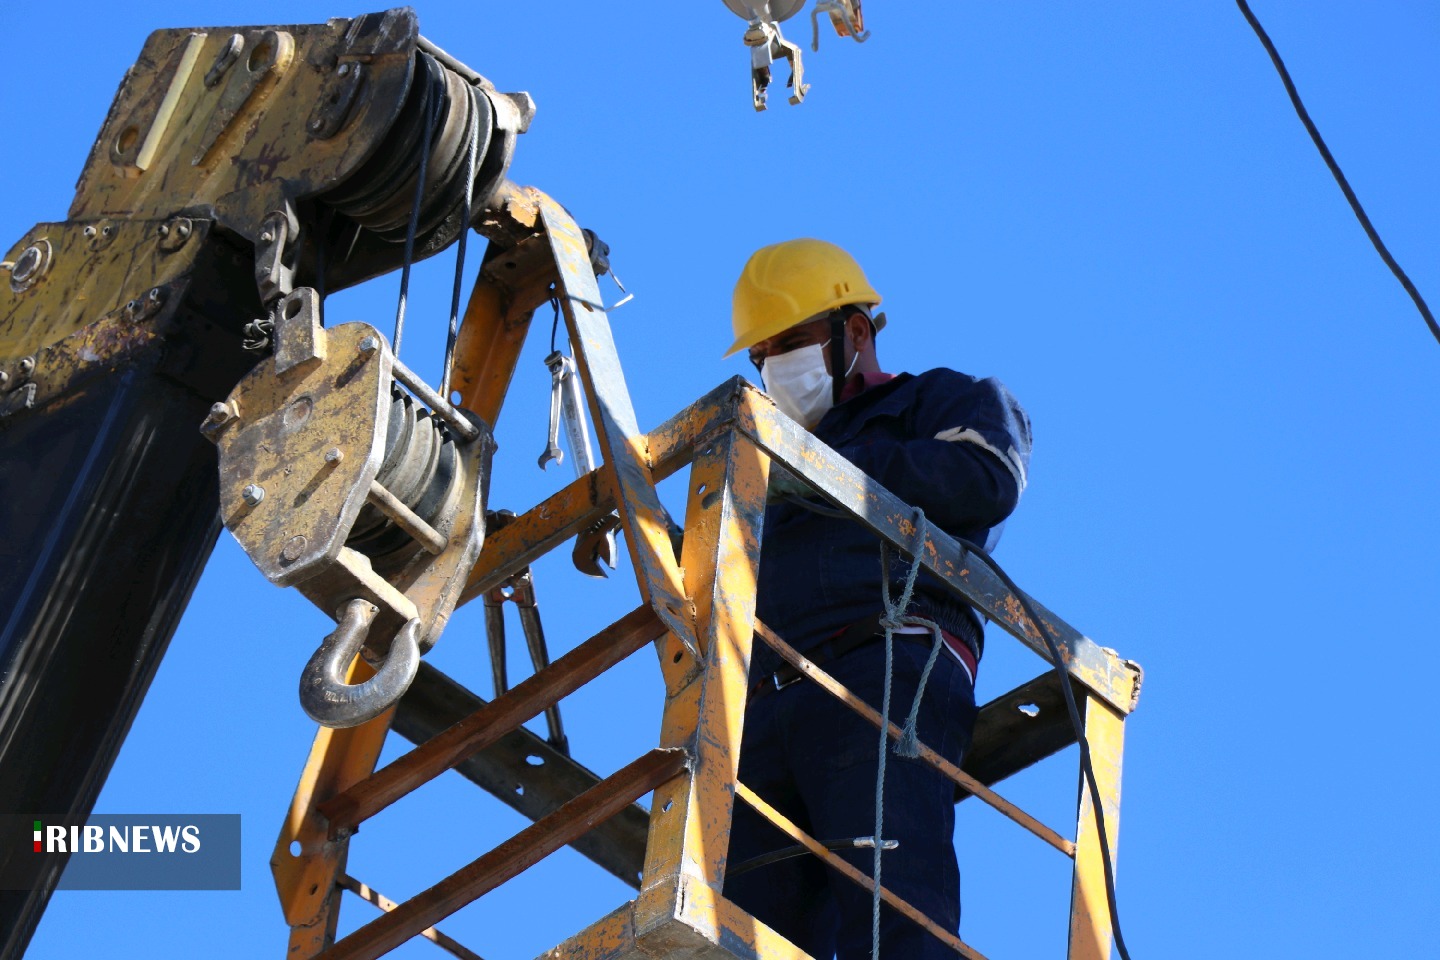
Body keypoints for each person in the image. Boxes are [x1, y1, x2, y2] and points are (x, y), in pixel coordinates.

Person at [720, 239, 1032, 959]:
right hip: (767, 695)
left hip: (887, 663)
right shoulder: (766, 458)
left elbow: (988, 477)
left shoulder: (936, 400)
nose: (775, 368)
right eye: (762, 354)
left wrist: (836, 468)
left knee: (892, 912)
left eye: (791, 342)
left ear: (853, 332)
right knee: (743, 930)